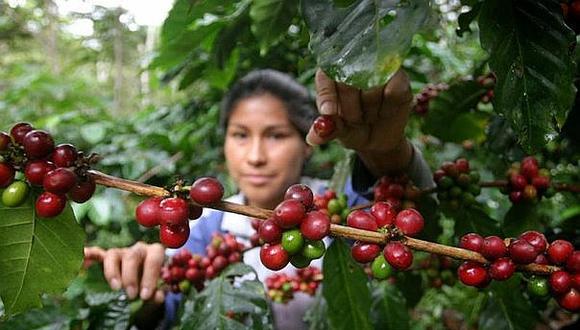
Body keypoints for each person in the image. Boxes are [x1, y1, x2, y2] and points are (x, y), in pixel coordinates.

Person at [84, 68, 434, 329]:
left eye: (276, 135)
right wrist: (140, 292)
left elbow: (402, 203)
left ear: (307, 143)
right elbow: (172, 306)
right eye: (240, 135)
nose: (255, 156)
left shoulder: (339, 209)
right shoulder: (206, 229)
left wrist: (386, 150)